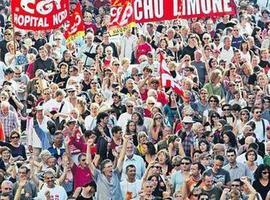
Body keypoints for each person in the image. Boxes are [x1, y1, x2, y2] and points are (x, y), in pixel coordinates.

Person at [86, 134, 128, 200]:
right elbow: (89, 163)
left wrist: (125, 142)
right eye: (108, 167)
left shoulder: (116, 173)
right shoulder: (98, 176)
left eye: (111, 166)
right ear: (103, 169)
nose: (111, 168)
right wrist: (88, 146)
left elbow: (121, 159)